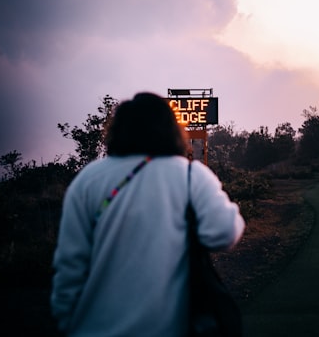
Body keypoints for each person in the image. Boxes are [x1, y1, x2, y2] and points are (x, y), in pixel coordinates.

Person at [51, 92, 245, 336]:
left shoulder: (88, 180)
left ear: (117, 129)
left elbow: (70, 265)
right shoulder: (190, 176)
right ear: (172, 130)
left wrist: (66, 320)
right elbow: (225, 233)